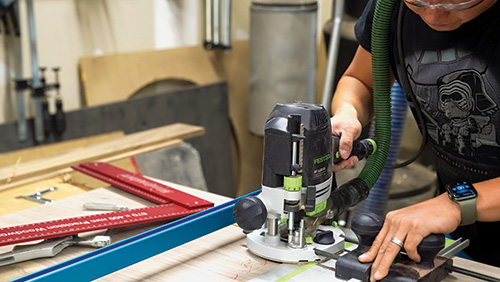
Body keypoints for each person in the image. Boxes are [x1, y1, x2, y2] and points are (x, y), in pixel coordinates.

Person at [330, 0, 500, 281]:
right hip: (466, 243)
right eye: (418, 2)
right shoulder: (391, 8)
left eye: (455, 3)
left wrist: (454, 204)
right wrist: (349, 113)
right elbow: (361, 80)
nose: (433, 14)